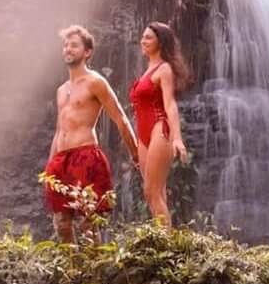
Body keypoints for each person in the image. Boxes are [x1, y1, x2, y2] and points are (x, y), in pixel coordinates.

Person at [43, 24, 140, 243]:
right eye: (66, 45)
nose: (68, 49)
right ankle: (73, 274)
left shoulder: (95, 82)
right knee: (62, 223)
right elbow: (59, 130)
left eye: (74, 45)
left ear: (87, 52)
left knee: (88, 221)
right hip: (61, 160)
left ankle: (93, 275)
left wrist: (135, 154)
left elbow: (120, 118)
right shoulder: (61, 90)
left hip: (85, 155)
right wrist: (50, 167)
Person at [130, 22, 191, 224]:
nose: (143, 41)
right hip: (143, 133)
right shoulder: (148, 69)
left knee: (151, 191)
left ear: (161, 42)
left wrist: (177, 139)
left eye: (149, 38)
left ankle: (166, 248)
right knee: (155, 193)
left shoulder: (164, 68)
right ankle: (165, 242)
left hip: (159, 128)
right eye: (143, 36)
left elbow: (170, 104)